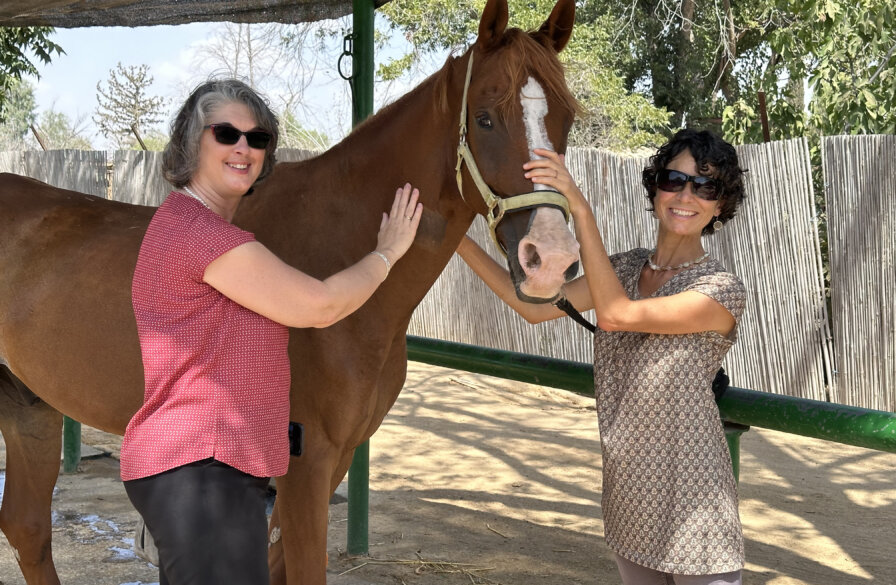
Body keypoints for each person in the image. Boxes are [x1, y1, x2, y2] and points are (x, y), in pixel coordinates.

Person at [120, 78, 422, 585]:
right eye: (226, 134)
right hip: (199, 470)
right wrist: (387, 253)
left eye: (257, 139)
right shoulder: (201, 233)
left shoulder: (195, 226)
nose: (244, 148)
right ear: (193, 141)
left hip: (207, 470)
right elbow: (320, 305)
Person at [456, 129, 747, 585]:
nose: (686, 194)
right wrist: (455, 240)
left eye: (705, 186)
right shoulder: (626, 268)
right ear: (655, 189)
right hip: (628, 489)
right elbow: (533, 309)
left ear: (720, 205)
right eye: (674, 179)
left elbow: (616, 315)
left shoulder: (720, 289)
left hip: (695, 498)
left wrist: (578, 206)